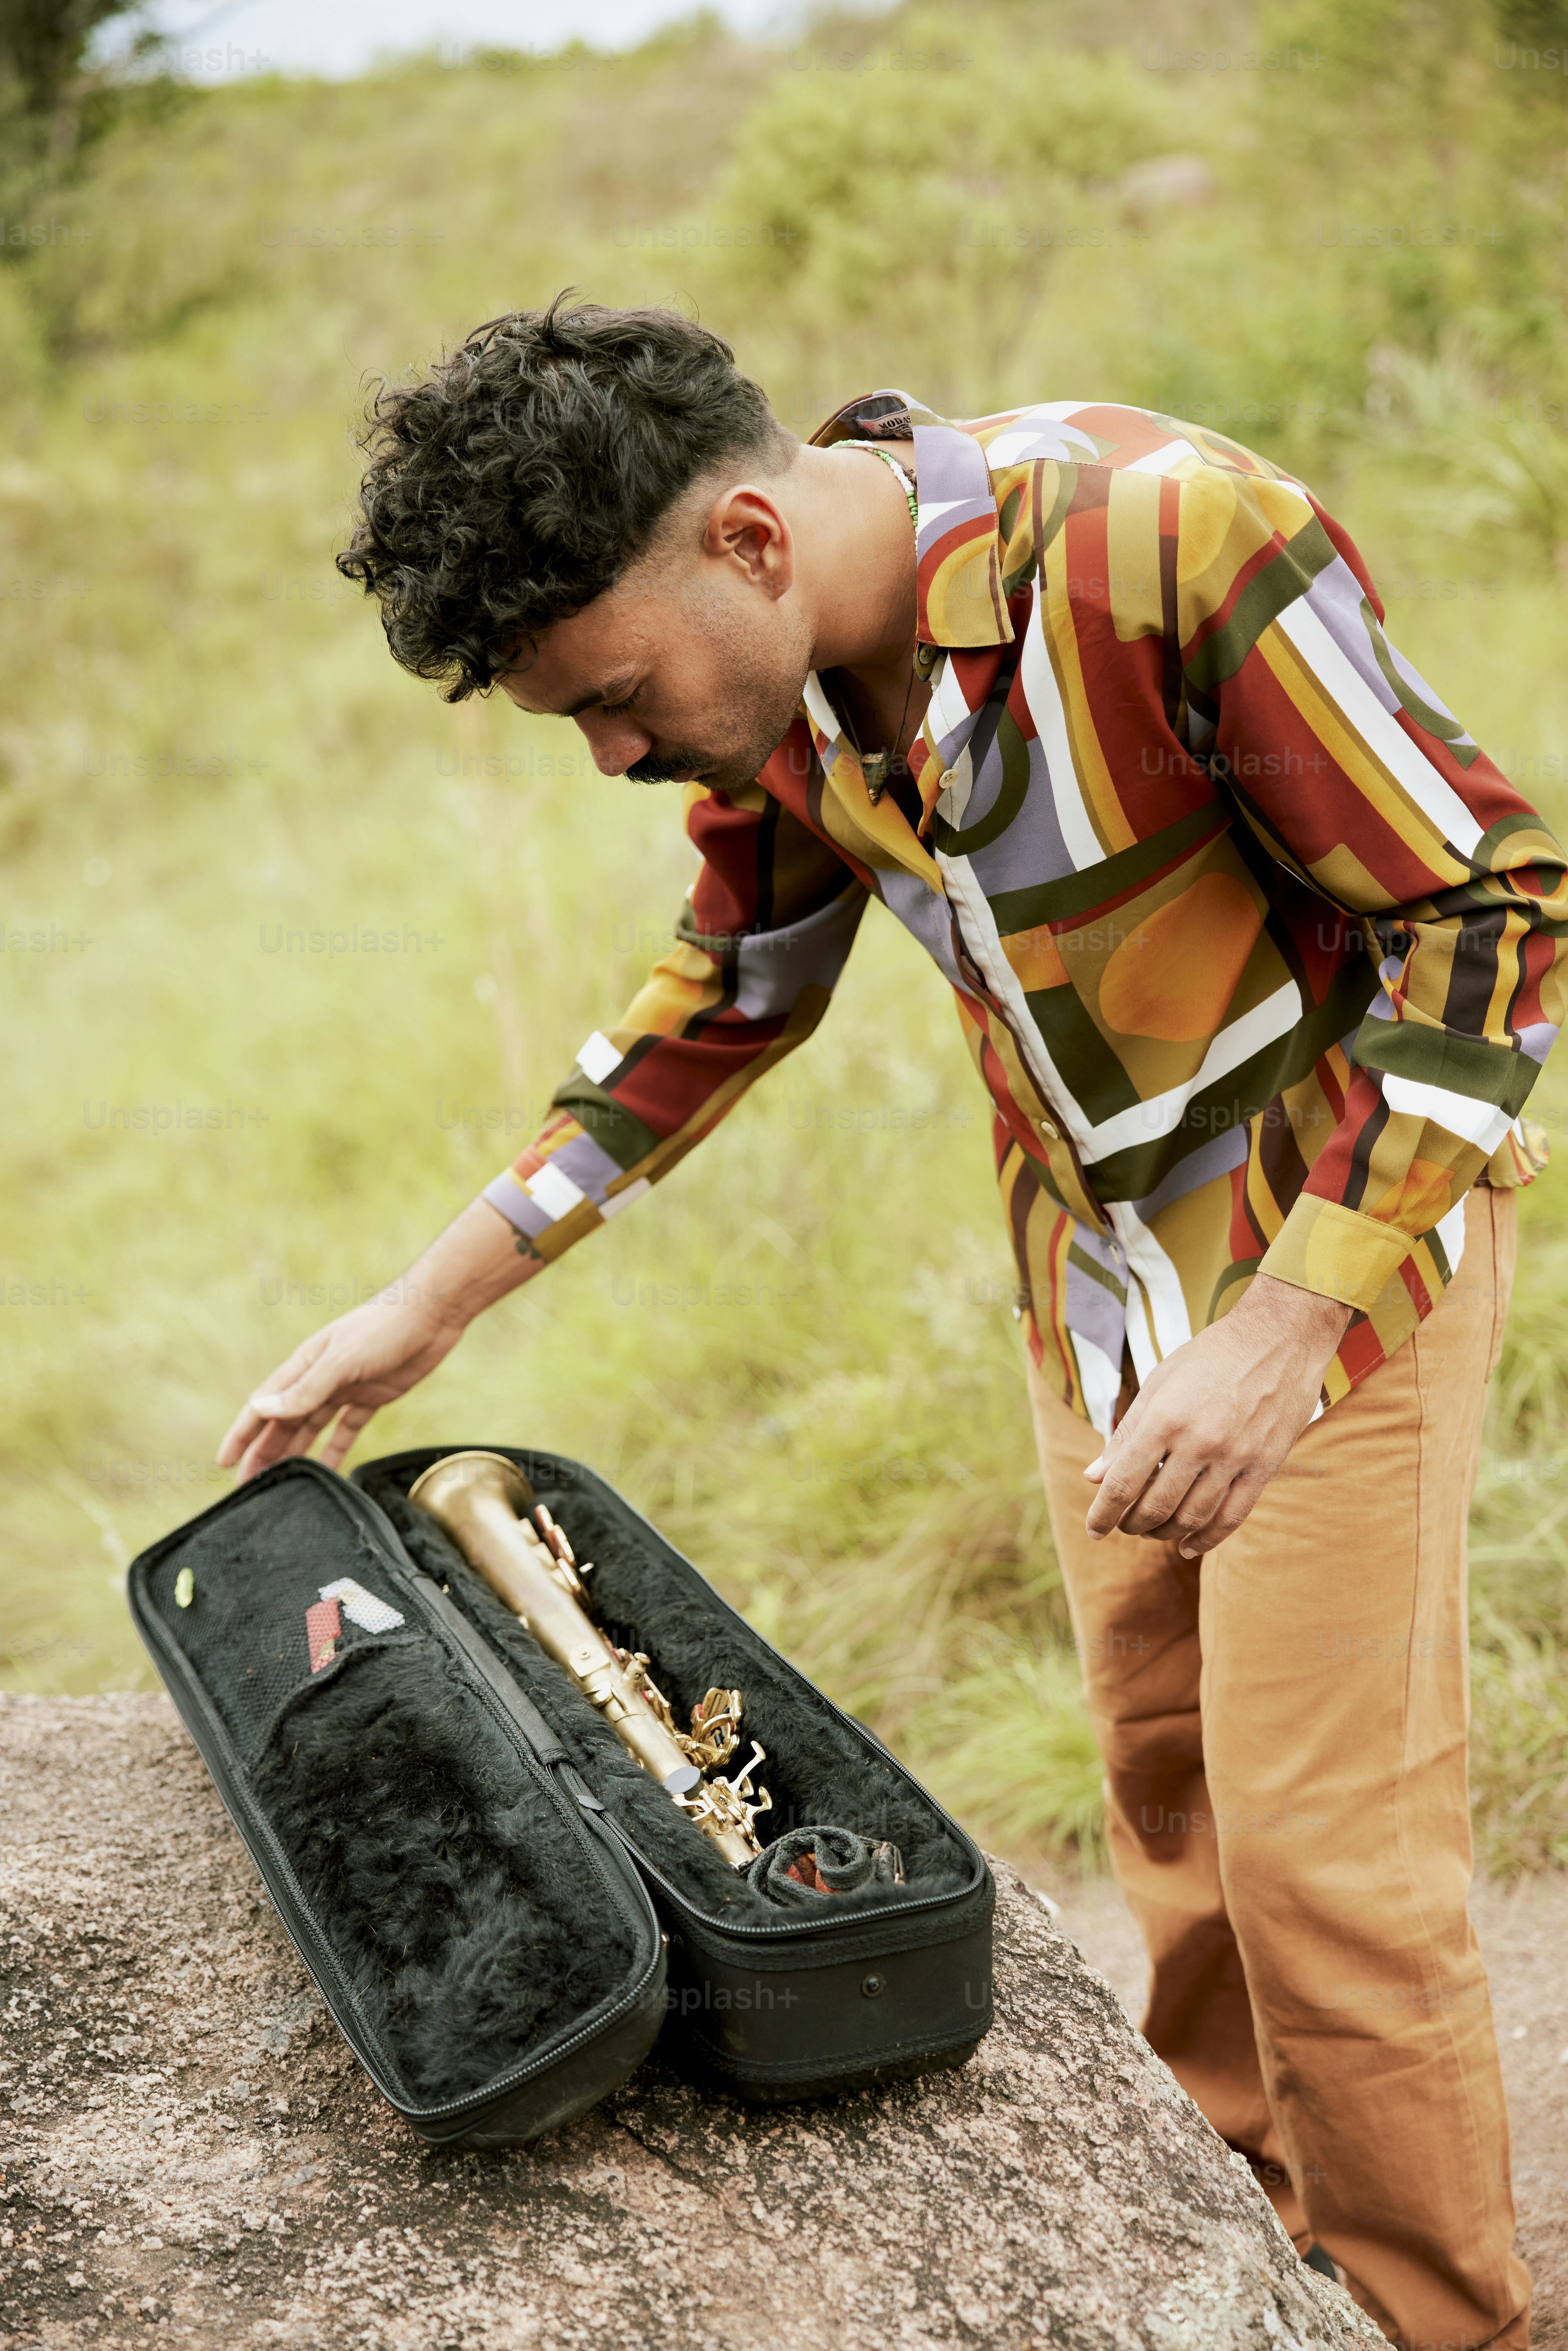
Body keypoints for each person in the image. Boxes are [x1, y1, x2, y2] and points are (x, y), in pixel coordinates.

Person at [219, 297, 1563, 2347]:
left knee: (1328, 1877)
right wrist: (423, 1305)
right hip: (1089, 1280)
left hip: (1331, 1265)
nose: (609, 753)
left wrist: (1282, 1331)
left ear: (747, 540)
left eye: (611, 695)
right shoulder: (779, 684)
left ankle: (1432, 2316)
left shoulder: (1170, 536)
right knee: (1177, 1809)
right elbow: (733, 987)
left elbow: (1498, 914)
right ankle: (1224, 2245)